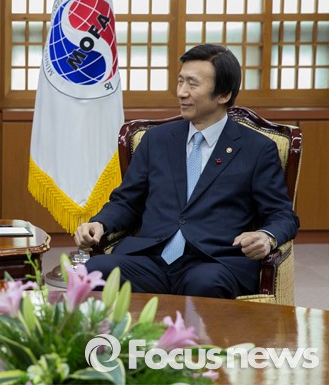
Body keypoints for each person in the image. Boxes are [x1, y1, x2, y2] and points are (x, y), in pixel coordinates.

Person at [74, 44, 299, 299]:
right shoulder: (155, 140)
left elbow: (282, 214)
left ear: (223, 94)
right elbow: (127, 201)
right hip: (151, 258)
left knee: (205, 283)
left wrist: (266, 237)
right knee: (94, 270)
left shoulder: (256, 149)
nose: (181, 92)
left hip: (212, 261)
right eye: (180, 81)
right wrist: (100, 223)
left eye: (192, 84)